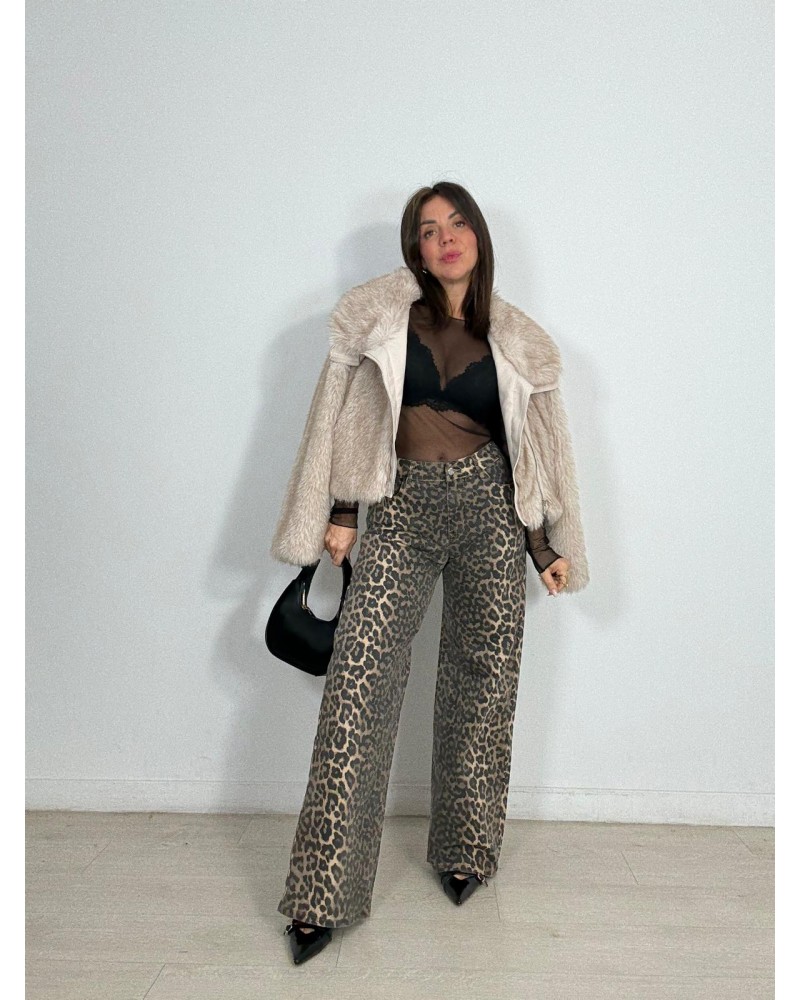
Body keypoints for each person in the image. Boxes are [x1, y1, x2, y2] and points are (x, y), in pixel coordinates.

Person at [270, 181, 589, 965]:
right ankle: (320, 893)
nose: (445, 237)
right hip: (402, 510)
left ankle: (465, 851)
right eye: (428, 228)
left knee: (484, 681)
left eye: (457, 223)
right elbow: (351, 423)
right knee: (358, 685)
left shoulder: (516, 339)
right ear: (414, 248)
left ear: (478, 236)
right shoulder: (383, 321)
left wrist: (543, 546)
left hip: (489, 512)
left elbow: (528, 452)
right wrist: (343, 512)